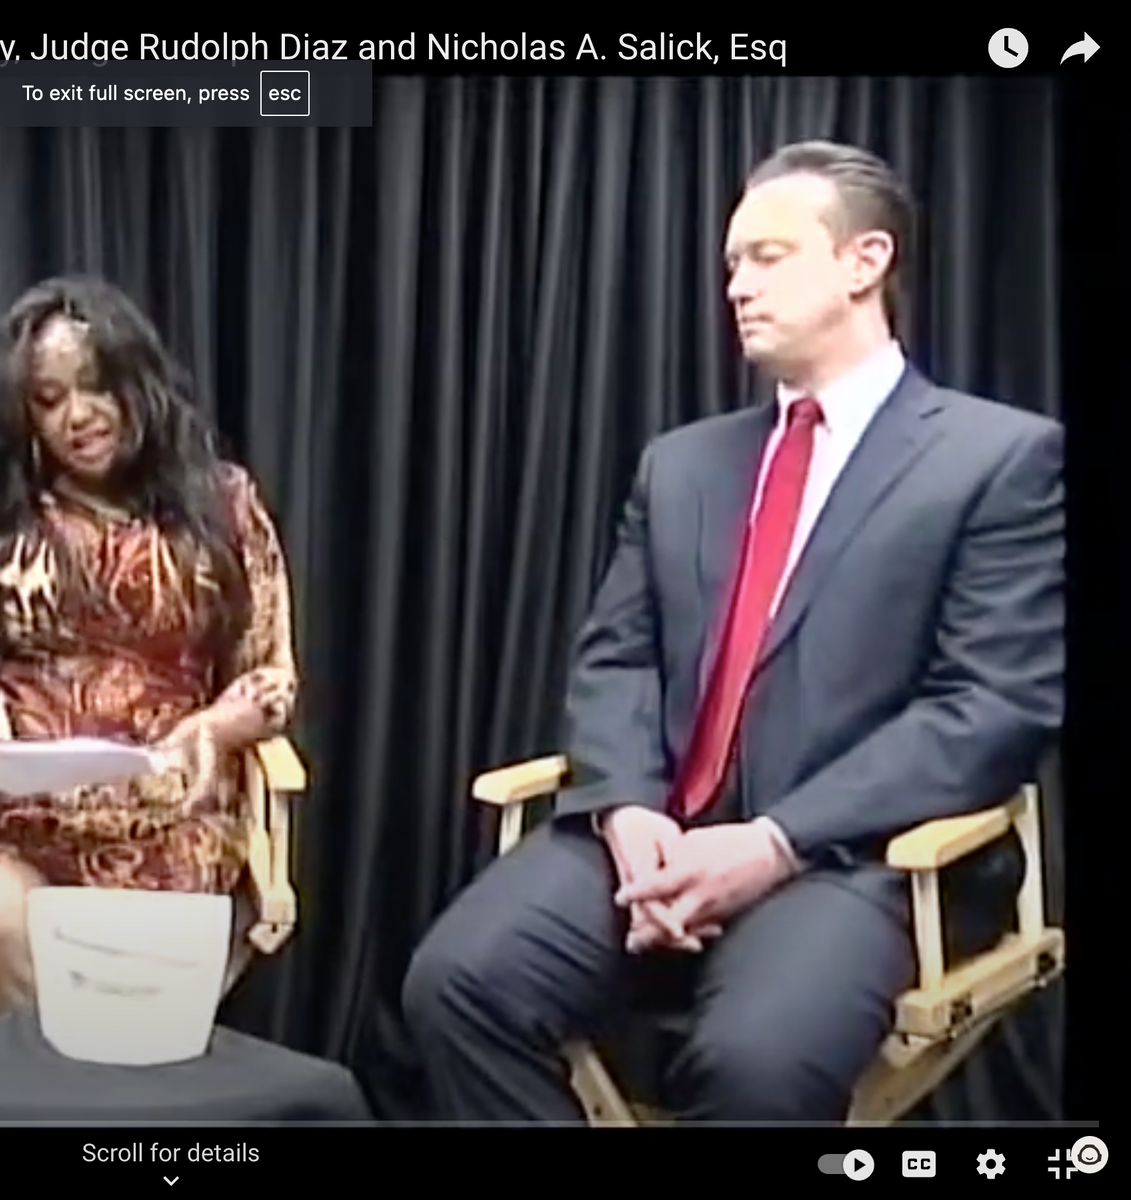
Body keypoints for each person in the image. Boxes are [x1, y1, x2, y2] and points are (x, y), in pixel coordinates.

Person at [401, 141, 1064, 1122]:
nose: (736, 286)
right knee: (455, 984)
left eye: (767, 256)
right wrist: (627, 814)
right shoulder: (682, 465)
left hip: (857, 857)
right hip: (653, 838)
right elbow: (617, 658)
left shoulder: (995, 459)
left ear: (864, 261)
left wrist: (774, 843)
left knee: (754, 1065)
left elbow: (989, 710)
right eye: (729, 265)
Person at [0, 275, 298, 1009]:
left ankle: (111, 1115)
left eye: (95, 387)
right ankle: (72, 1104)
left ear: (134, 380)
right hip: (17, 821)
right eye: (49, 401)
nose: (78, 416)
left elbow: (270, 679)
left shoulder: (222, 502)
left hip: (171, 812)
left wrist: (208, 728)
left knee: (144, 954)